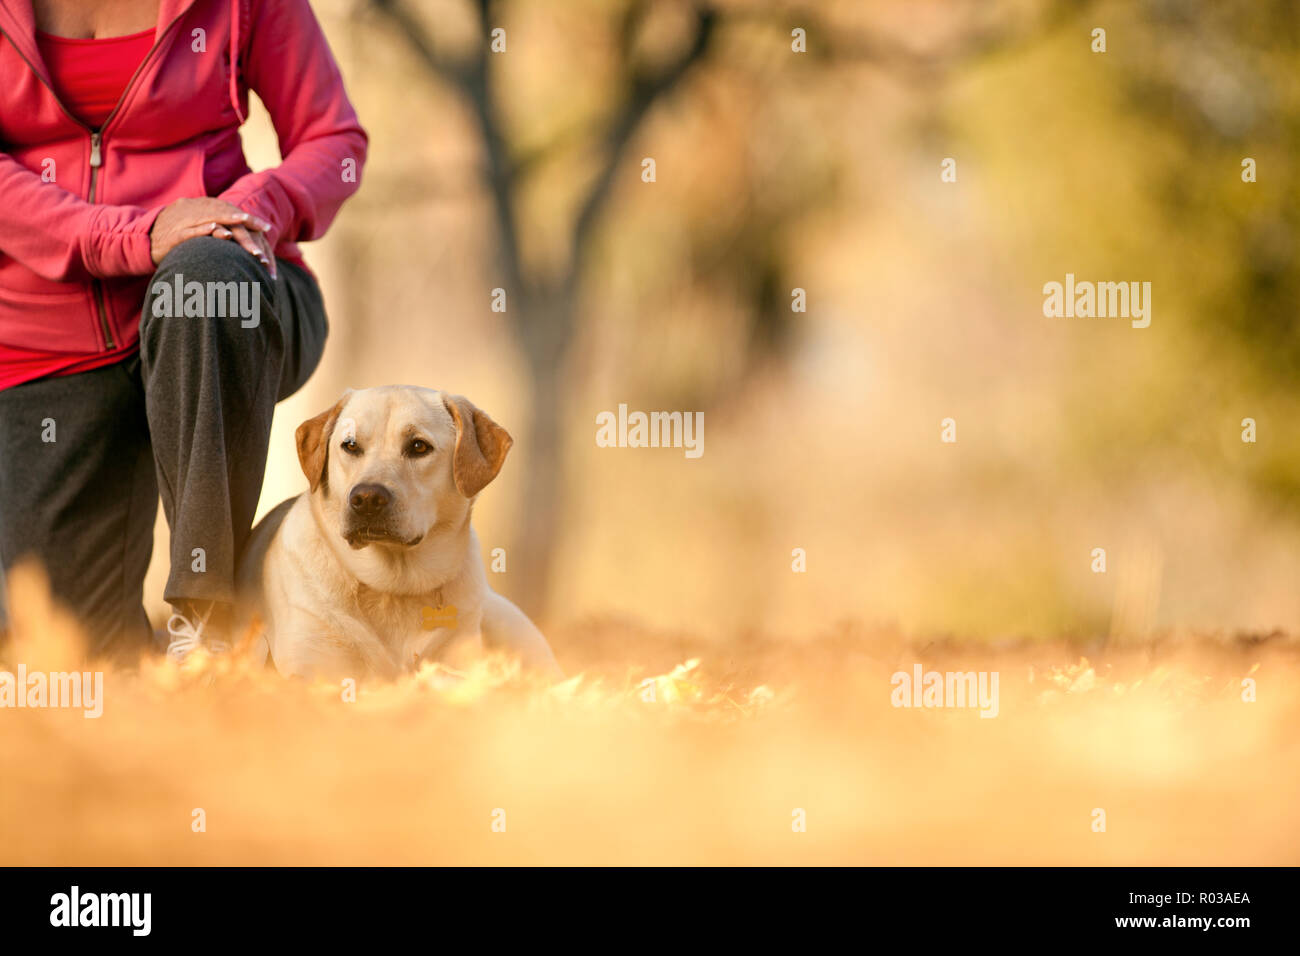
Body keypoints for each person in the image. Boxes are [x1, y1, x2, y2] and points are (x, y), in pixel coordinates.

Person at [0, 0, 367, 660]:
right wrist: (130, 237)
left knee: (202, 280)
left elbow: (333, 140)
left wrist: (243, 212)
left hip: (224, 296)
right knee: (62, 656)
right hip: (42, 337)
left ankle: (208, 624)